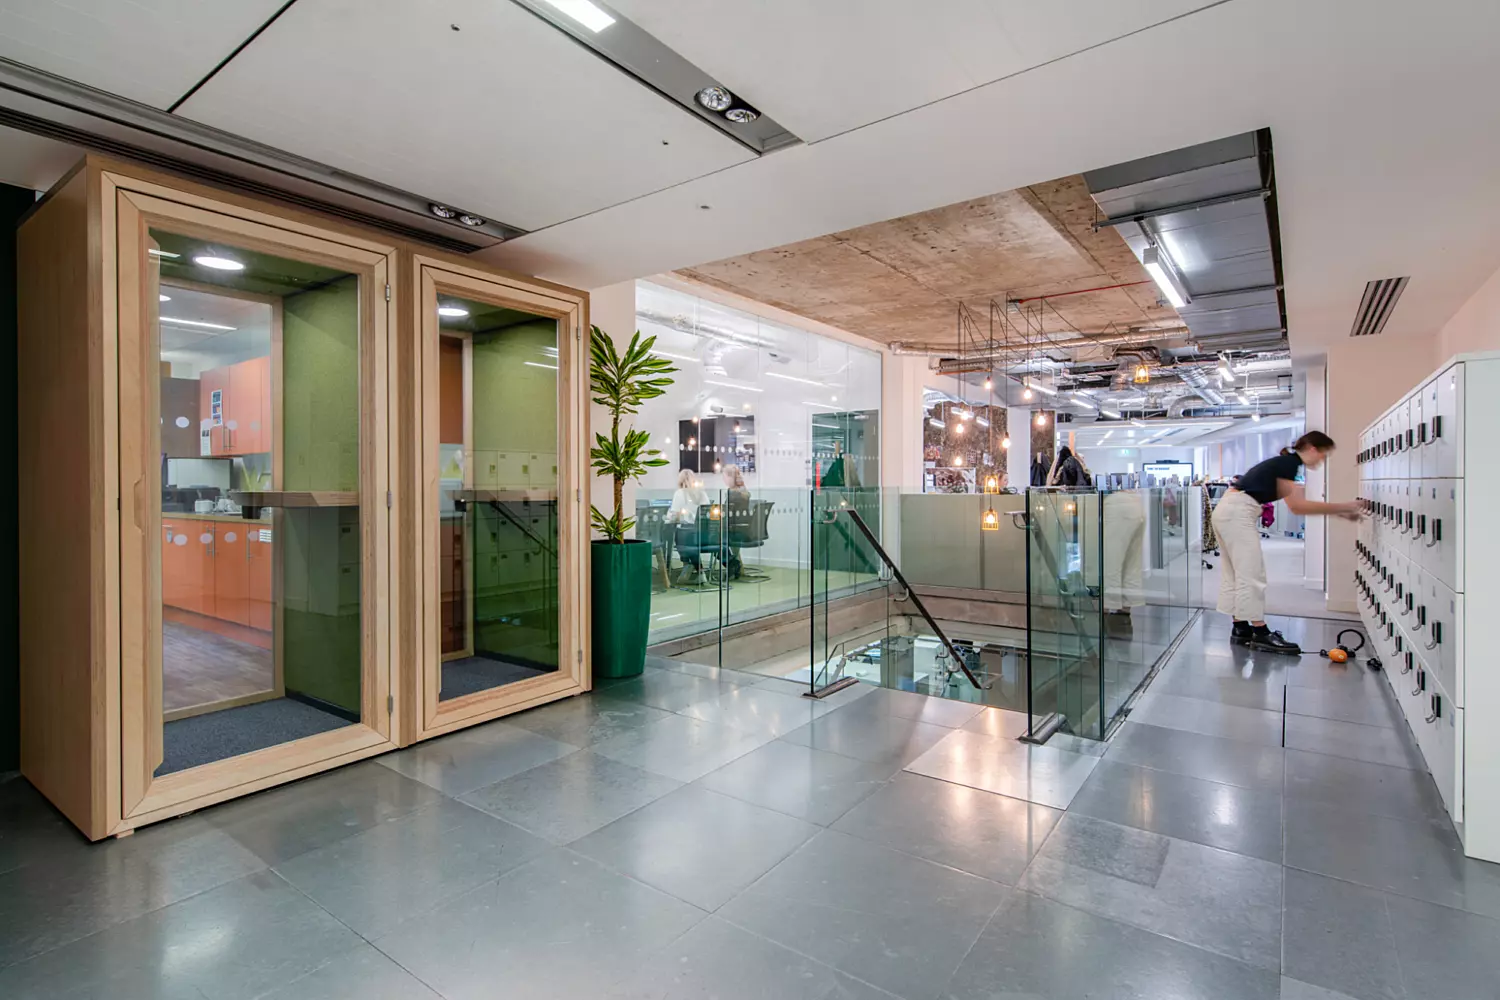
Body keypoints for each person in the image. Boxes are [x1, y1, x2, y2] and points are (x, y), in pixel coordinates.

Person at [1211, 431, 1364, 653]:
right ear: (1312, 449)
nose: (1322, 461)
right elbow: (1297, 506)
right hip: (1237, 512)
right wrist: (1343, 507)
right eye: (1323, 455)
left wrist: (1339, 512)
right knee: (1251, 573)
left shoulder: (1285, 463)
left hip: (1229, 509)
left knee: (1236, 571)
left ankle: (1241, 627)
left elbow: (1297, 504)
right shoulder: (1288, 464)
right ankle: (1261, 632)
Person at [667, 469, 709, 585]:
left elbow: (675, 515)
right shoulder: (702, 493)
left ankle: (687, 565)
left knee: (680, 537)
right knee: (688, 539)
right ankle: (698, 571)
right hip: (706, 535)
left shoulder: (680, 493)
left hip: (689, 535)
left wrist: (670, 516)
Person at [721, 464, 751, 579]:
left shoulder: (732, 494)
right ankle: (736, 565)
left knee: (713, 539)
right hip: (743, 529)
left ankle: (732, 564)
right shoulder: (744, 492)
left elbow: (726, 514)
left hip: (734, 530)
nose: (723, 479)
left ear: (729, 477)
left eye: (724, 476)